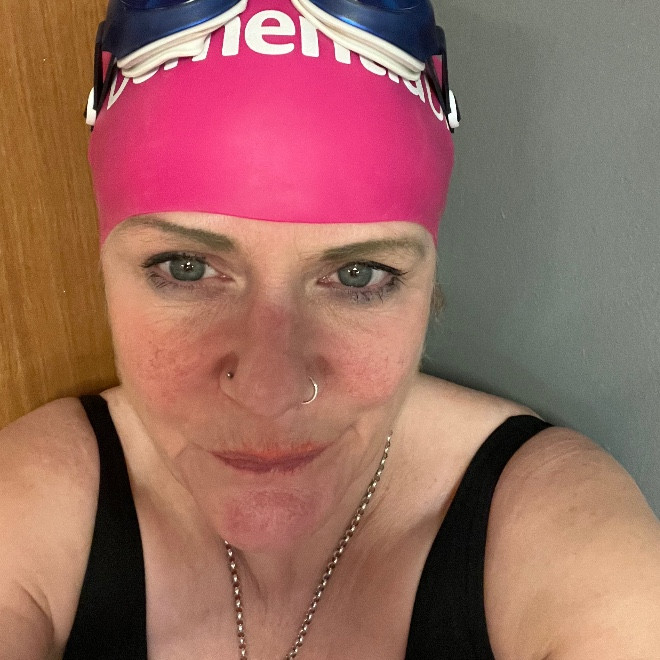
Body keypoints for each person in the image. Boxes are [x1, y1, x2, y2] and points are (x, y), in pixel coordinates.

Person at [1, 0, 659, 658]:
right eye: (185, 267)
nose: (269, 392)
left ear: (428, 286)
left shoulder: (560, 532)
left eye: (356, 276)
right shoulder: (35, 499)